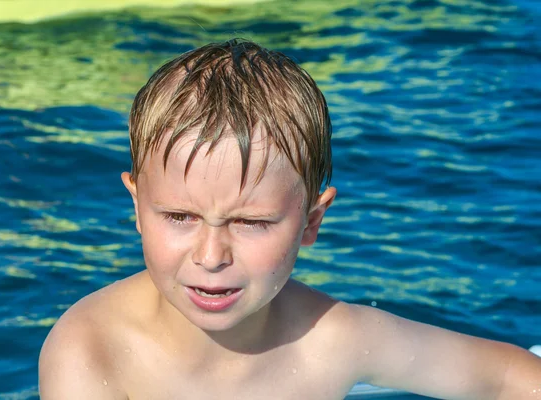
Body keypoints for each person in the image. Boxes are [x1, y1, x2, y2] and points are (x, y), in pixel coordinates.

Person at [39, 39, 541, 399]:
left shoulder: (334, 340)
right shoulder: (92, 347)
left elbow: (507, 379)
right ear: (136, 208)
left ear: (311, 222)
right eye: (179, 215)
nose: (210, 256)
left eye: (251, 222)